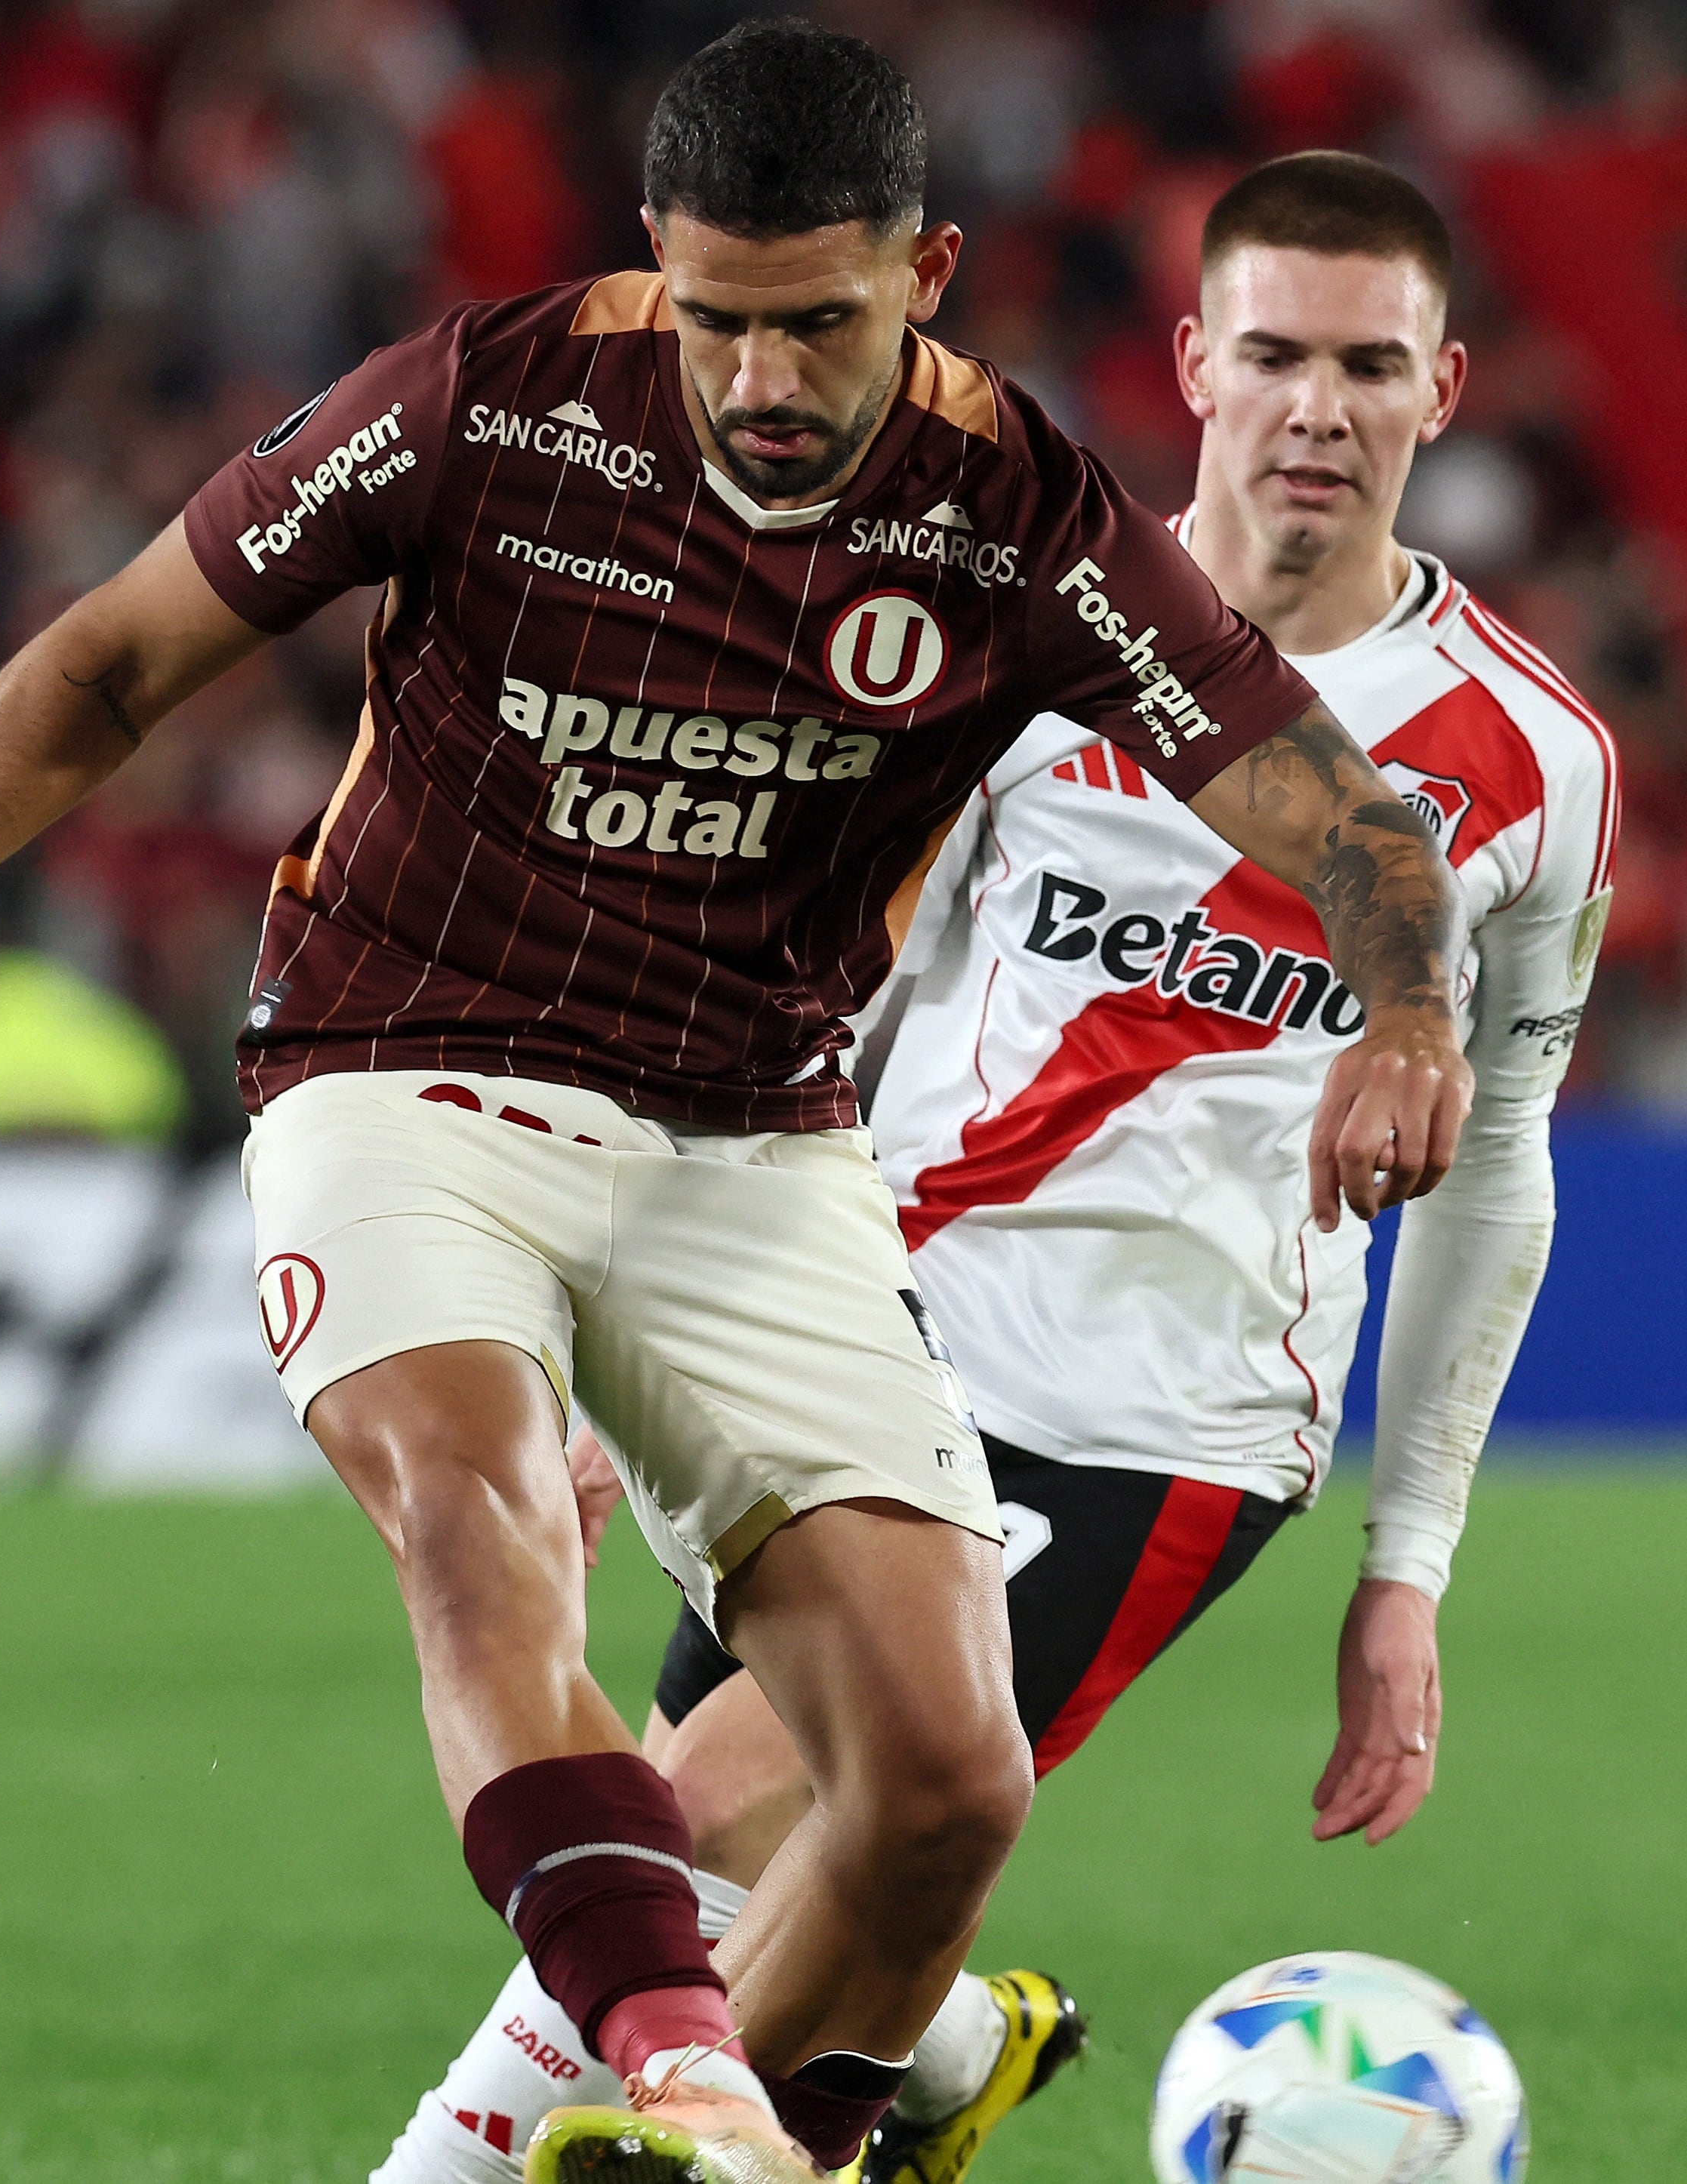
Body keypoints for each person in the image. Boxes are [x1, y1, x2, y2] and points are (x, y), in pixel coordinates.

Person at [0, 27, 1477, 2184]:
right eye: (715, 316)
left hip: (747, 1135)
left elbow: (1350, 821)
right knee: (475, 1529)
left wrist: (1406, 1008)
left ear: (925, 272)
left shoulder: (1018, 514)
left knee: (949, 1775)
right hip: (405, 1059)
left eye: (820, 325)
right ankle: (678, 2062)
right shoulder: (475, 405)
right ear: (650, 264)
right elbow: (117, 655)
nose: (758, 379)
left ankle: (848, 2090)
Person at [367, 151, 1615, 2184]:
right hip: (866, 1328)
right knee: (784, 1880)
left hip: (1154, 1407)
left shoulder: (1531, 757)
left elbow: (1505, 1164)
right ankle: (935, 2061)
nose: (1318, 406)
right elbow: (832, 995)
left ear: (1441, 390)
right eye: (1277, 353)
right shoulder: (1021, 634)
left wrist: (1409, 1572)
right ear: (1195, 359)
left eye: (1367, 366)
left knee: (673, 1836)